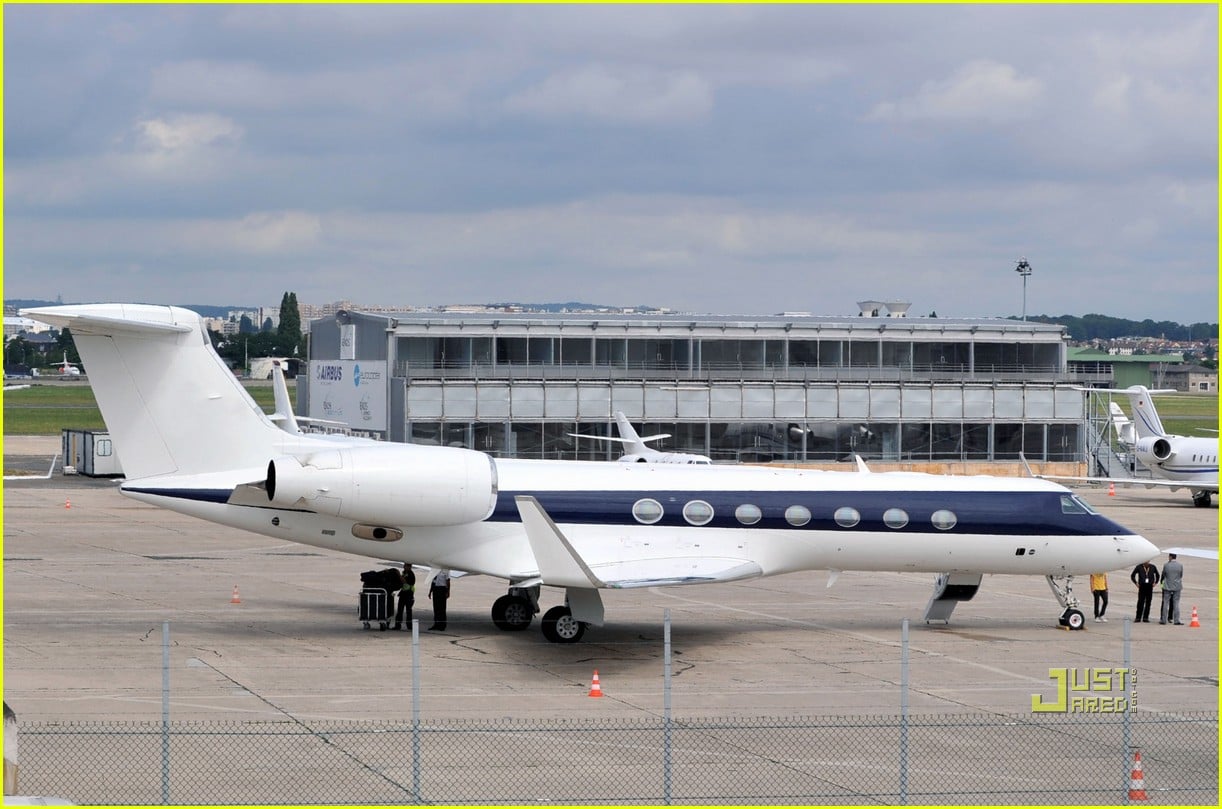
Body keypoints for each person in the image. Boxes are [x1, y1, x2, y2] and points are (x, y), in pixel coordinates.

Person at [1159, 553, 1184, 625]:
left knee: (1165, 603)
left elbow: (1164, 574)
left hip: (1167, 586)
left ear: (1170, 557)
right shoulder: (1180, 565)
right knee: (1176, 603)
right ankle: (1176, 620)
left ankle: (1164, 619)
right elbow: (1181, 575)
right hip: (1177, 586)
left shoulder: (1166, 565)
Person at [393, 563, 416, 631]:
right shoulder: (405, 573)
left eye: (405, 566)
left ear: (409, 567)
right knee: (400, 610)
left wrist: (399, 575)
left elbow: (404, 581)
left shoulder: (411, 574)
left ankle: (409, 626)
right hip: (403, 594)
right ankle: (397, 625)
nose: (403, 567)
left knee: (408, 611)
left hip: (409, 594)